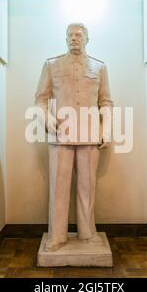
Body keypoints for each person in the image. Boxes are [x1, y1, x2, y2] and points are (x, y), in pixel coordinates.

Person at [35, 23, 113, 251]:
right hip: (61, 133)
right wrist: (45, 118)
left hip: (90, 134)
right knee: (58, 186)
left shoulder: (99, 67)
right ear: (65, 39)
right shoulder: (52, 65)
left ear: (87, 38)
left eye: (78, 35)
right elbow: (40, 99)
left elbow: (106, 101)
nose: (74, 38)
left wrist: (106, 129)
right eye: (69, 35)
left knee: (87, 187)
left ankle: (87, 234)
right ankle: (57, 235)